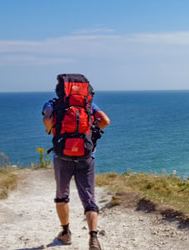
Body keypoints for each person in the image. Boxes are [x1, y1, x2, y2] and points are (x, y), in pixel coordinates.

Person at [42, 77, 111, 250]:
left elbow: (48, 121)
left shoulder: (53, 104)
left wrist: (51, 130)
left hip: (63, 156)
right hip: (86, 156)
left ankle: (66, 233)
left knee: (62, 195)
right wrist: (93, 135)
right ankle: (93, 238)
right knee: (89, 198)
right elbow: (105, 121)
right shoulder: (88, 105)